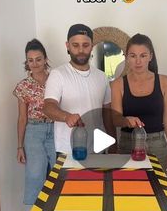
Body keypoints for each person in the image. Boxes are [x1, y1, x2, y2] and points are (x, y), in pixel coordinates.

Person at [111, 33, 167, 173]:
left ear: (150, 56)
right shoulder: (118, 84)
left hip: (157, 144)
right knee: (126, 190)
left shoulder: (165, 82)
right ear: (127, 57)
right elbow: (115, 119)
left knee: (158, 191)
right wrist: (126, 120)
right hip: (128, 144)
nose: (138, 61)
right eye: (133, 56)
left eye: (143, 55)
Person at [43, 24, 115, 154]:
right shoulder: (58, 74)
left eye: (85, 45)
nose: (81, 50)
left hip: (97, 149)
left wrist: (114, 142)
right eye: (75, 45)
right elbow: (48, 107)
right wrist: (66, 116)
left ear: (92, 46)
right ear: (67, 46)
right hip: (68, 150)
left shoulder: (102, 76)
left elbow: (107, 113)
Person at [13, 39, 56, 205]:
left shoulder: (56, 79)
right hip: (34, 131)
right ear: (26, 62)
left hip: (56, 128)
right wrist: (19, 146)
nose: (35, 63)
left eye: (38, 59)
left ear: (45, 59)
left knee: (59, 172)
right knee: (35, 175)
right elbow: (22, 118)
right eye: (30, 60)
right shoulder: (23, 86)